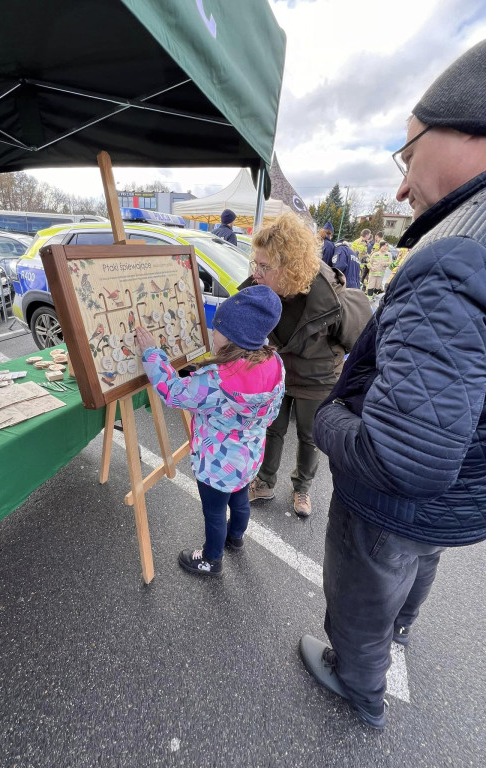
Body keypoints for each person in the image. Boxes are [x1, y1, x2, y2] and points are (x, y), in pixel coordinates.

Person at [299, 39, 486, 730]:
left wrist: (326, 419)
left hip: (398, 503)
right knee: (420, 561)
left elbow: (401, 459)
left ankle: (359, 683)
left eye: (408, 157)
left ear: (471, 127)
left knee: (362, 589)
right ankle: (399, 628)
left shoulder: (453, 257)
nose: (403, 185)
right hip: (463, 493)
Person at [136, 285, 284, 577]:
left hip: (216, 466)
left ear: (231, 338)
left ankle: (211, 559)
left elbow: (173, 392)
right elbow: (273, 412)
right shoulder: (273, 363)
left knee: (215, 513)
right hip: (249, 457)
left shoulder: (215, 381)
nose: (211, 332)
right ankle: (236, 537)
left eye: (216, 328)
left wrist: (152, 354)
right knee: (239, 500)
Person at [246, 214, 371, 517]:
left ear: (289, 267)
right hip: (279, 374)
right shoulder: (265, 289)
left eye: (265, 267)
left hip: (317, 379)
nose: (257, 274)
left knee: (309, 436)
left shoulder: (329, 297)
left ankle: (302, 488)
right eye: (256, 265)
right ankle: (264, 481)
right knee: (272, 429)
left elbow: (354, 342)